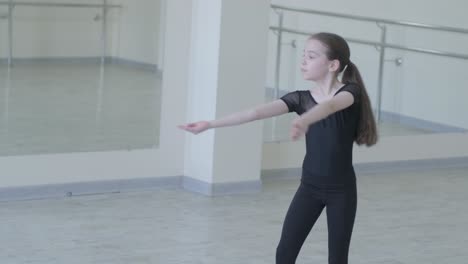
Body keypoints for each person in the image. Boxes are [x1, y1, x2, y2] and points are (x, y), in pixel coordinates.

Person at [178, 32, 378, 264]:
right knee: (284, 252)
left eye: (311, 56)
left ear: (333, 64)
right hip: (310, 188)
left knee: (337, 259)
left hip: (341, 192)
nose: (303, 61)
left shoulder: (350, 93)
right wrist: (210, 124)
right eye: (304, 55)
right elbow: (254, 112)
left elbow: (330, 106)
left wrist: (304, 120)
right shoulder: (300, 99)